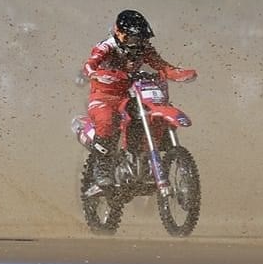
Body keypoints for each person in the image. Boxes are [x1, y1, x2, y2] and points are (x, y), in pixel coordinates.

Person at [79, 9, 195, 155]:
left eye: (141, 39)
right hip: (106, 94)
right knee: (106, 120)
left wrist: (179, 74)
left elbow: (162, 65)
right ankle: (103, 169)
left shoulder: (143, 48)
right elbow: (89, 65)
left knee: (152, 113)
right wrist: (96, 74)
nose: (137, 44)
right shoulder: (106, 47)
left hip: (132, 93)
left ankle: (147, 152)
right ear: (119, 33)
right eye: (133, 39)